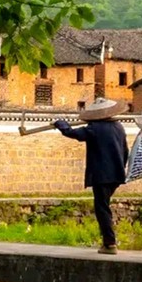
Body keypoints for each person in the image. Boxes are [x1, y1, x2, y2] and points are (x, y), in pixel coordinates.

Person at [54, 98, 129, 254]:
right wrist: (120, 167)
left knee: (102, 208)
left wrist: (61, 124)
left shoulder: (94, 129)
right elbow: (125, 151)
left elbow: (72, 133)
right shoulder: (119, 127)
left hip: (102, 175)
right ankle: (108, 242)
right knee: (104, 206)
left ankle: (110, 244)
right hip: (116, 174)